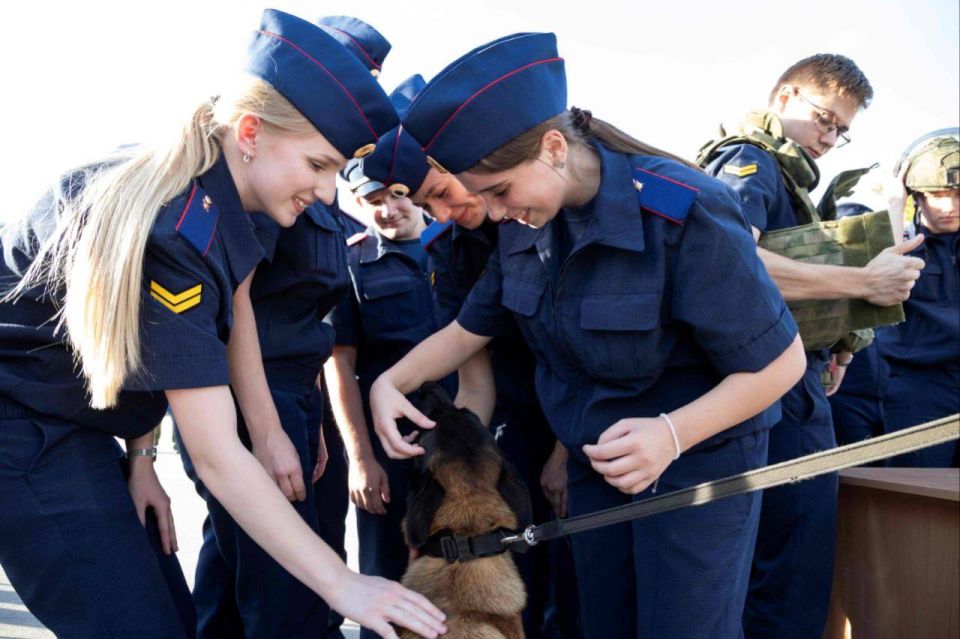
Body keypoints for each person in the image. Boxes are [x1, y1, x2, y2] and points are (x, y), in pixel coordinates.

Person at [0, 9, 446, 639]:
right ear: (250, 132)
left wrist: (143, 458)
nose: (327, 192)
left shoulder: (217, 200)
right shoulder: (175, 228)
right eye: (318, 165)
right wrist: (341, 583)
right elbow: (213, 454)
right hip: (25, 433)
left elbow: (213, 320)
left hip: (77, 427)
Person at [368, 32, 807, 639]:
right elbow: (470, 329)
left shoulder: (685, 213)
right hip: (597, 470)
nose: (493, 213)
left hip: (695, 471)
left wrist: (673, 434)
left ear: (552, 148)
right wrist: (393, 381)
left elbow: (782, 363)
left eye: (498, 191)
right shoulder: (527, 225)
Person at [171, 15, 394, 639]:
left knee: (242, 571)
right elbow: (237, 307)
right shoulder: (259, 181)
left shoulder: (300, 181)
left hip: (292, 393)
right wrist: (270, 429)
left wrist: (311, 417)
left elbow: (307, 315)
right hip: (245, 397)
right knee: (286, 594)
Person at [698, 54, 924, 638]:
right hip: (769, 391)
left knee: (793, 555)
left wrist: (840, 341)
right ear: (783, 98)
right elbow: (733, 259)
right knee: (791, 558)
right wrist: (862, 283)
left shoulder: (787, 172)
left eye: (841, 130)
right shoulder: (749, 160)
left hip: (794, 379)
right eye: (824, 119)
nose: (830, 137)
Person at [352, 72, 582, 639]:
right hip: (509, 440)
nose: (448, 209)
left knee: (575, 595)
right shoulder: (449, 248)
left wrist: (564, 452)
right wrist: (455, 467)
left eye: (443, 190)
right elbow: (474, 382)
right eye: (430, 201)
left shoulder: (539, 216)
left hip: (578, 423)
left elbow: (580, 354)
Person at [325, 137, 455, 639]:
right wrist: (360, 458)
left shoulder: (456, 244)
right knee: (388, 575)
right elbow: (340, 367)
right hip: (393, 448)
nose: (388, 209)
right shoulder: (352, 264)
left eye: (397, 194)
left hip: (463, 436)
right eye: (373, 200)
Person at [879, 130, 959, 467]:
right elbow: (883, 279)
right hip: (918, 388)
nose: (950, 206)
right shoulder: (904, 240)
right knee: (917, 494)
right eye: (937, 195)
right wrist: (894, 207)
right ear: (917, 196)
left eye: (958, 194)